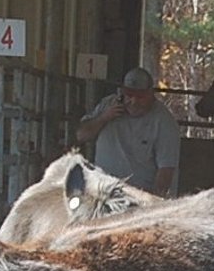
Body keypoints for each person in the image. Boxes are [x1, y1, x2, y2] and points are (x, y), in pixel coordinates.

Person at [76, 66, 180, 196]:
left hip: (137, 197)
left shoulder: (164, 121)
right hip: (102, 193)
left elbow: (166, 170)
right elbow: (81, 135)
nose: (134, 101)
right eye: (129, 95)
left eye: (140, 97)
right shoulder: (108, 105)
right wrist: (104, 118)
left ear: (150, 94)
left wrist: (154, 202)